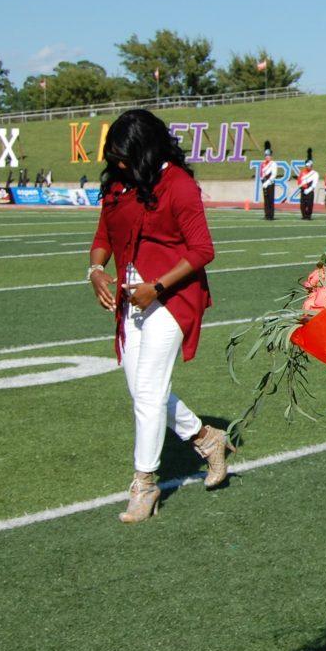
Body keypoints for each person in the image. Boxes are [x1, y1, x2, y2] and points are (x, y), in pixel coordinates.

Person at [86, 110, 230, 523]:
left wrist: (157, 287)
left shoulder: (179, 186)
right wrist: (96, 270)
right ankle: (205, 437)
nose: (116, 165)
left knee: (148, 391)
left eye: (124, 157)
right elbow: (102, 237)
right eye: (113, 157)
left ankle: (144, 484)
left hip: (172, 297)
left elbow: (202, 250)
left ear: (146, 151)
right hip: (131, 299)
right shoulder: (118, 184)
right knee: (142, 391)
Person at [259, 141, 278, 220]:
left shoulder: (273, 163)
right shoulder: (262, 164)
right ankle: (266, 214)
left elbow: (274, 175)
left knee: (270, 199)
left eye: (268, 155)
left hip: (270, 183)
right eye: (266, 155)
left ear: (271, 156)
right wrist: (262, 181)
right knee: (266, 200)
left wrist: (267, 182)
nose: (267, 157)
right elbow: (261, 173)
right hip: (264, 183)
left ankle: (271, 215)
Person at [297, 149, 318, 220]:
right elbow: (299, 181)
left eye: (310, 166)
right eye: (307, 166)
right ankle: (303, 215)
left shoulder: (315, 173)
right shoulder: (302, 172)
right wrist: (301, 186)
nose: (308, 167)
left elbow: (314, 184)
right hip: (303, 190)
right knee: (302, 204)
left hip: (310, 190)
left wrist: (309, 190)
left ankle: (308, 216)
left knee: (309, 204)